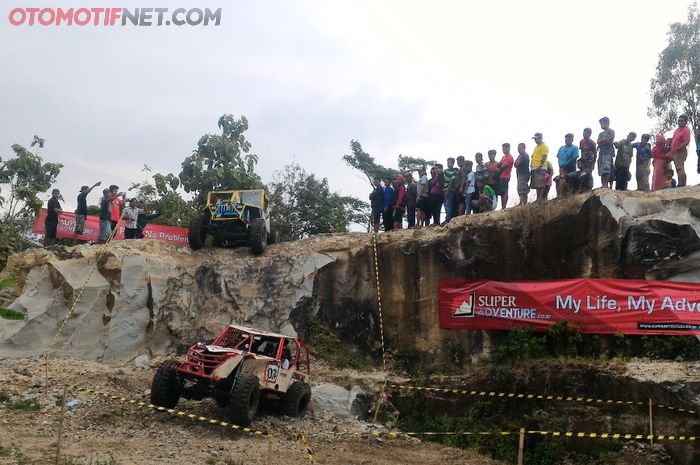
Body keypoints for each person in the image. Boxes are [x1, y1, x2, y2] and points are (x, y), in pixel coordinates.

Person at [670, 114, 691, 187]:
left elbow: (687, 141)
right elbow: (674, 140)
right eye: (679, 121)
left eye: (682, 121)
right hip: (675, 151)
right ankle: (681, 183)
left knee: (680, 168)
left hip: (680, 151)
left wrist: (679, 147)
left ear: (685, 122)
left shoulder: (686, 130)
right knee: (678, 168)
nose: (680, 122)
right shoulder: (676, 131)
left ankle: (682, 184)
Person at [597, 117, 616, 188]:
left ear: (607, 123)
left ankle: (606, 184)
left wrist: (602, 140)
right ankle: (603, 184)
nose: (601, 125)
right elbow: (598, 141)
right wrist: (602, 140)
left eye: (602, 123)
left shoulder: (611, 131)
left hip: (607, 152)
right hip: (601, 153)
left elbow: (609, 140)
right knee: (601, 168)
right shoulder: (601, 134)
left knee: (606, 168)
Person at [530, 133, 549, 202]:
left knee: (541, 183)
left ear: (541, 138)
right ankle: (538, 198)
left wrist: (540, 165)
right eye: (535, 139)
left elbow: (544, 156)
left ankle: (540, 198)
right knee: (537, 184)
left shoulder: (544, 146)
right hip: (534, 167)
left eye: (537, 138)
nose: (535, 140)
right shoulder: (536, 147)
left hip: (540, 167)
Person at [497, 143, 514, 209]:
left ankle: (504, 206)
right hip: (501, 176)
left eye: (504, 148)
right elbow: (499, 164)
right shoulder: (504, 157)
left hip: (505, 176)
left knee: (505, 191)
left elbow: (502, 167)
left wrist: (499, 167)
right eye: (502, 149)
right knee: (502, 192)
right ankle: (502, 206)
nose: (503, 150)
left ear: (508, 148)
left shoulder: (509, 157)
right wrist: (499, 166)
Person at [442, 157, 458, 223]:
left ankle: (448, 219)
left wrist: (447, 191)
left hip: (450, 190)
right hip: (444, 189)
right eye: (448, 163)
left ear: (453, 163)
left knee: (448, 205)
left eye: (450, 163)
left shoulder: (454, 172)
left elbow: (451, 182)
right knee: (445, 205)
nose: (449, 164)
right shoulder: (445, 171)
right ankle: (447, 217)